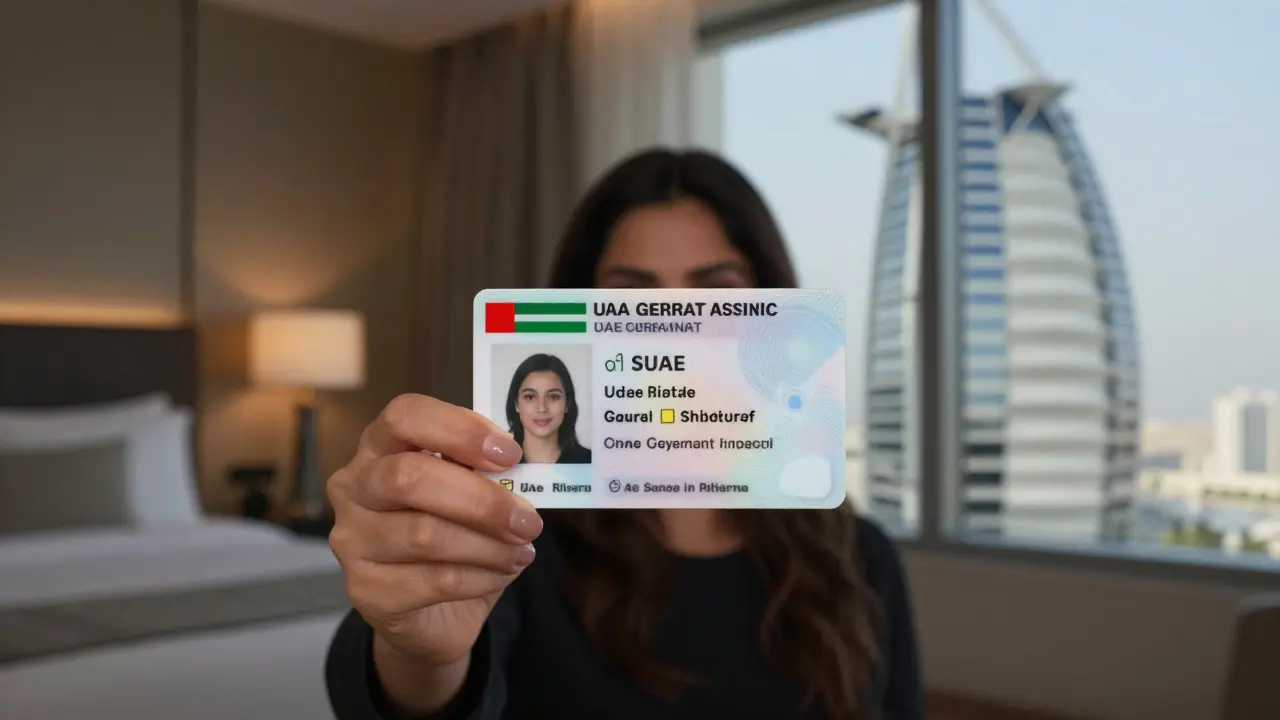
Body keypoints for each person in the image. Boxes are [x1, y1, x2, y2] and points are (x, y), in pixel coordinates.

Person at [325, 149, 924, 719]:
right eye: (632, 296)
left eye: (717, 291)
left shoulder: (858, 553)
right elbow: (399, 697)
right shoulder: (515, 535)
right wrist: (418, 652)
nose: (678, 327)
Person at [504, 353, 591, 464]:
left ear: (567, 404)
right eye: (530, 397)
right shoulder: (498, 462)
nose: (542, 408)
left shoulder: (590, 461)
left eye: (553, 397)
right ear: (516, 404)